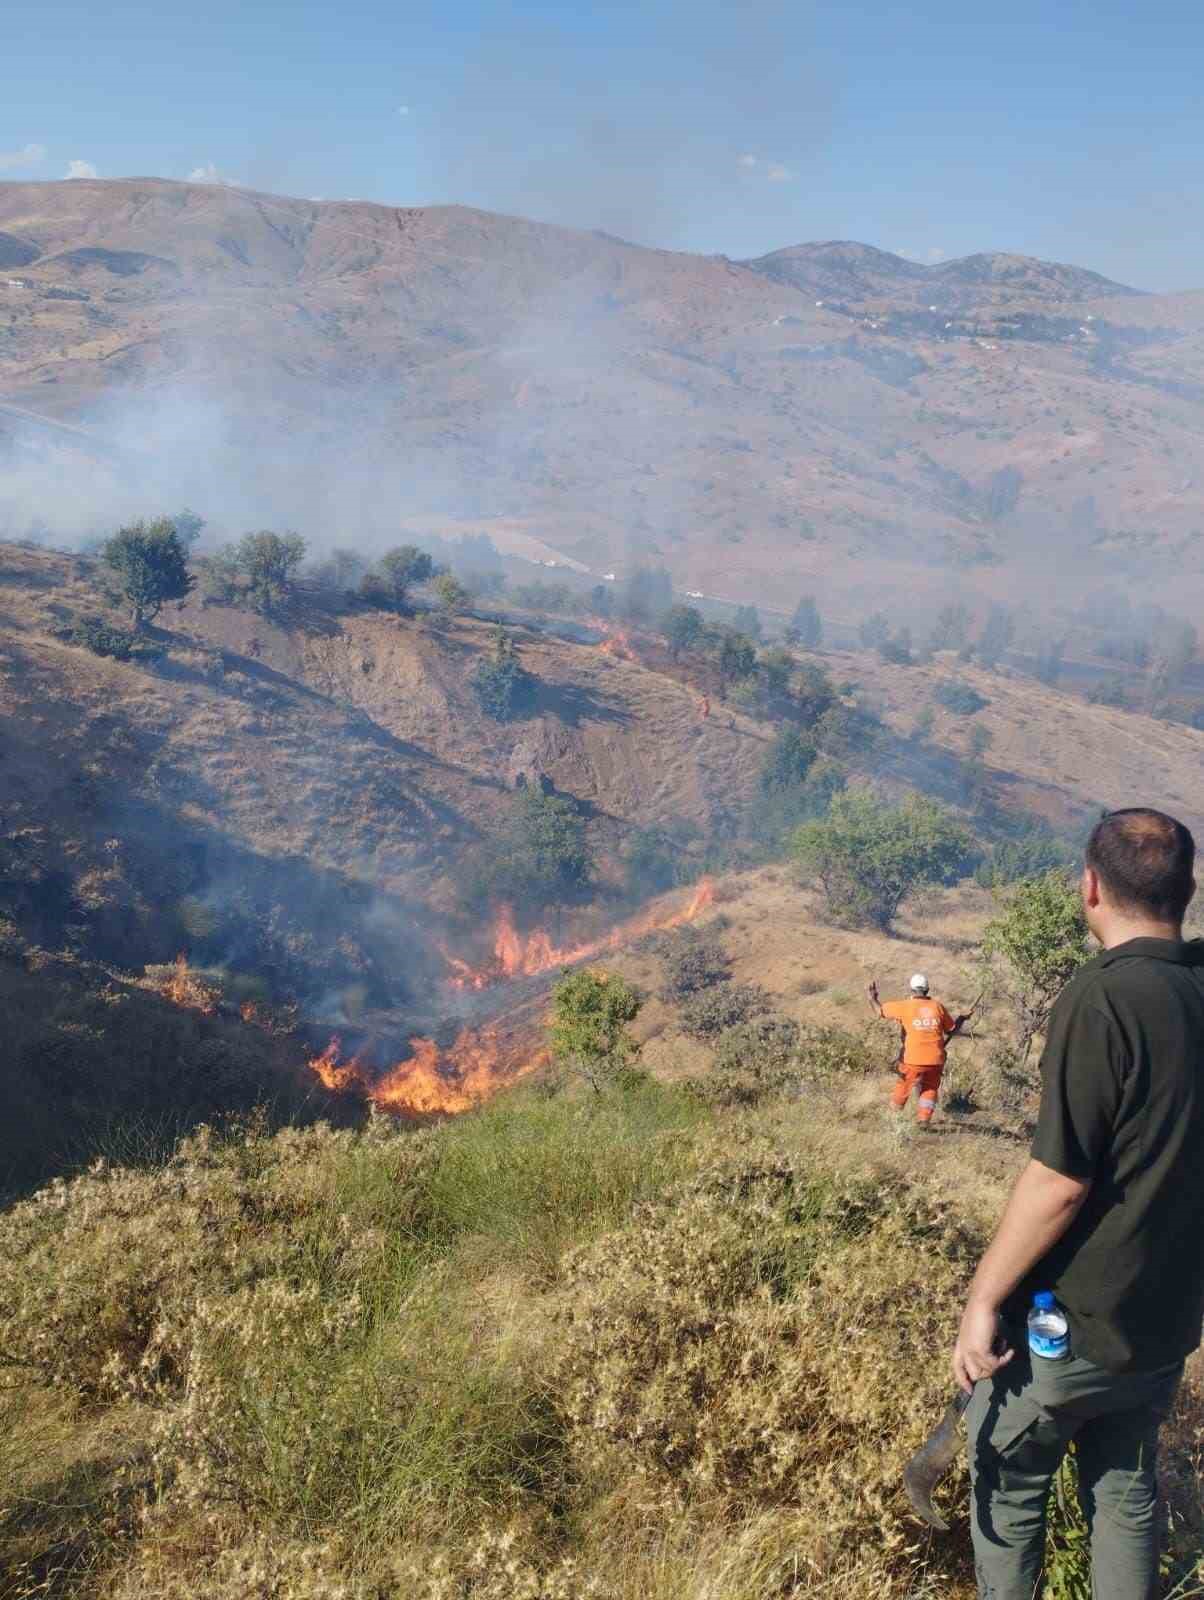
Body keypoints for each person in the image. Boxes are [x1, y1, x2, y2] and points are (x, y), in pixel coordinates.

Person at [952, 807, 1204, 1600]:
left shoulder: (1102, 1001)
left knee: (1009, 1489)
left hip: (1073, 1326)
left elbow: (1060, 1181)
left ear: (1089, 887)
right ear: (1186, 890)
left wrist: (983, 1297)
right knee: (1127, 1496)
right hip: (1162, 1321)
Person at [867, 972, 969, 1124]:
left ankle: (893, 1119)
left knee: (904, 1086)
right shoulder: (937, 1007)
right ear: (927, 990)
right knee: (930, 1088)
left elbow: (879, 1011)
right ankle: (924, 1121)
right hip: (936, 1060)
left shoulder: (904, 1006)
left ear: (911, 990)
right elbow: (952, 1030)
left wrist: (872, 998)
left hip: (913, 1059)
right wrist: (962, 1018)